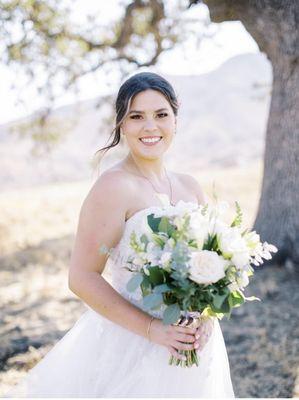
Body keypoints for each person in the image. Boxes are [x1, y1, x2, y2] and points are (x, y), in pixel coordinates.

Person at [5, 72, 235, 397]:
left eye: (161, 115)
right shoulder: (113, 187)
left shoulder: (191, 187)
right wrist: (153, 330)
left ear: (176, 119)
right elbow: (82, 277)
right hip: (132, 343)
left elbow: (207, 269)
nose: (150, 127)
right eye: (136, 116)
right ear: (121, 125)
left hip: (192, 342)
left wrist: (207, 316)